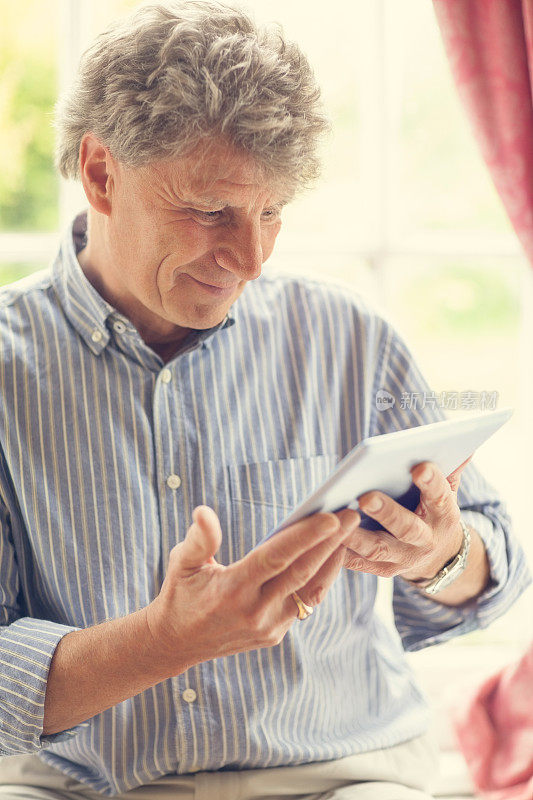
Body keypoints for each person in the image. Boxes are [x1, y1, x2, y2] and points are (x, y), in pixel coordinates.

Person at [0, 2, 530, 798]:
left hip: (343, 778)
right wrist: (165, 640)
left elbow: (489, 565)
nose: (249, 258)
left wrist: (438, 555)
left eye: (272, 211)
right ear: (103, 174)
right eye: (210, 211)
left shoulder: (348, 336)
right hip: (84, 787)